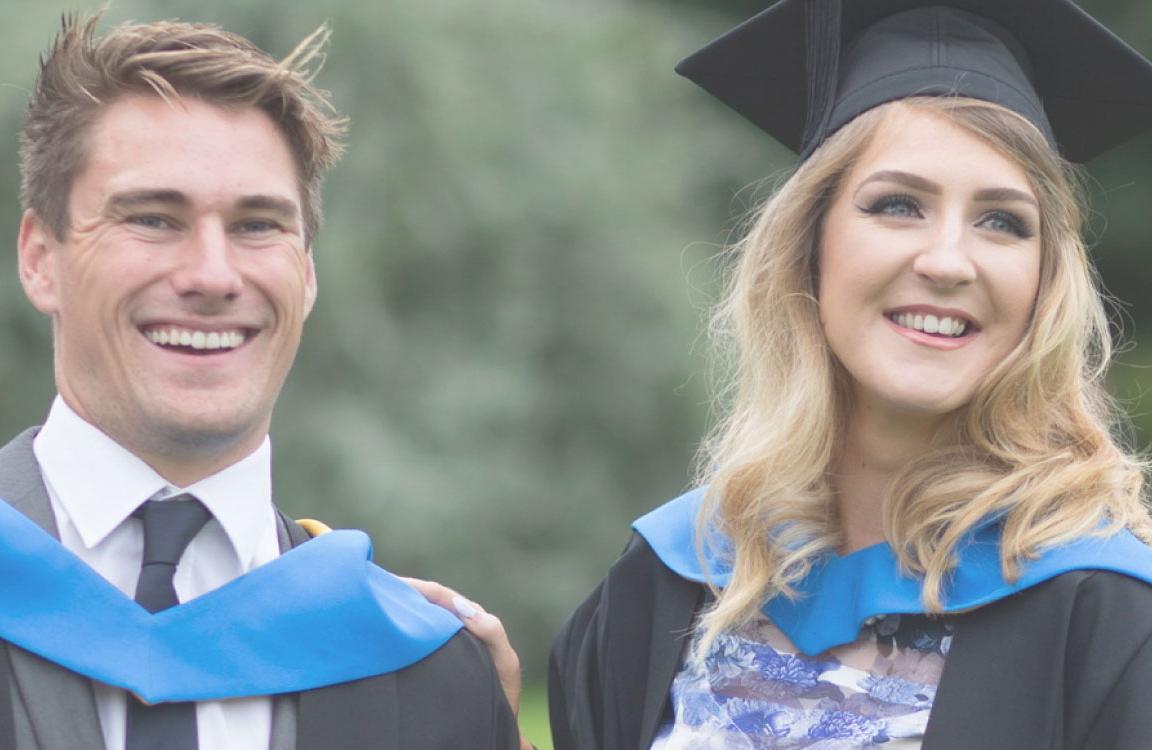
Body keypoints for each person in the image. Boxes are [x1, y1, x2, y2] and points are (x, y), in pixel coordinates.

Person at [549, 0, 1152, 748]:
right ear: (808, 245)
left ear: (1044, 282)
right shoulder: (676, 575)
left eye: (1002, 221)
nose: (947, 261)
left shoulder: (1103, 608)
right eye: (898, 205)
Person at [0, 12, 521, 749]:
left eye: (257, 226)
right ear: (39, 258)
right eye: (152, 218)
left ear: (306, 275)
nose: (213, 276)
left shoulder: (426, 671)